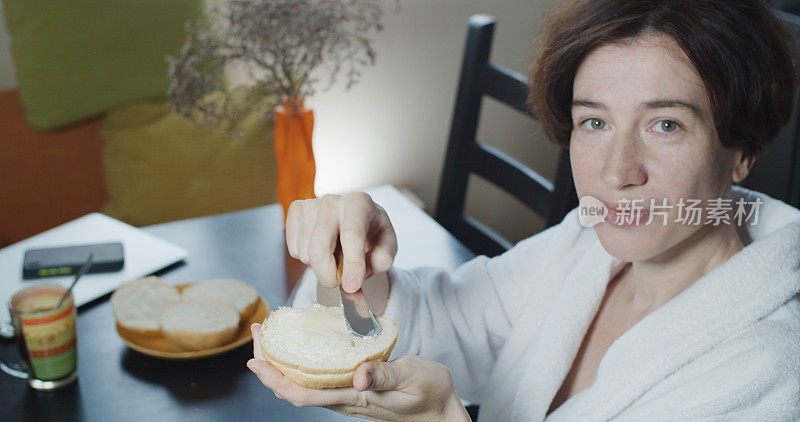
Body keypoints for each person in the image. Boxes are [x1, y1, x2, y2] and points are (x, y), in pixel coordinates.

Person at [247, 0, 800, 420]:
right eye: (595, 122)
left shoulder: (772, 375)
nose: (615, 172)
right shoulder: (583, 244)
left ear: (742, 151)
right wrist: (352, 264)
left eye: (666, 125)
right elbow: (447, 324)